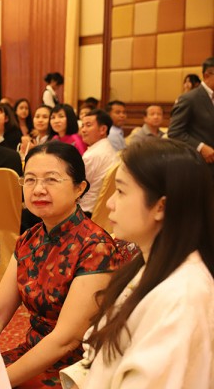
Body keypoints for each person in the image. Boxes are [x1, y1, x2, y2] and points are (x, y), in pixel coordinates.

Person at [60, 139, 214, 388]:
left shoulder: (182, 296)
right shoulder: (147, 263)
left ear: (161, 206)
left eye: (121, 191)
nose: (109, 203)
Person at [0, 141, 126, 387]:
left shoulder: (95, 247)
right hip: (32, 354)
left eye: (51, 179)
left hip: (74, 370)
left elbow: (65, 340)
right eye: (30, 180)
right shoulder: (30, 238)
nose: (38, 189)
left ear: (79, 188)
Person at [168, 57, 214, 177]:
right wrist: (201, 147)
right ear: (207, 75)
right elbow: (175, 132)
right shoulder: (189, 99)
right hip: (199, 165)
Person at [79, 109, 118, 215]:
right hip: (103, 210)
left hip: (85, 211)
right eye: (82, 126)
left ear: (103, 129)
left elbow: (77, 187)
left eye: (88, 125)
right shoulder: (108, 148)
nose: (83, 130)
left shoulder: (93, 155)